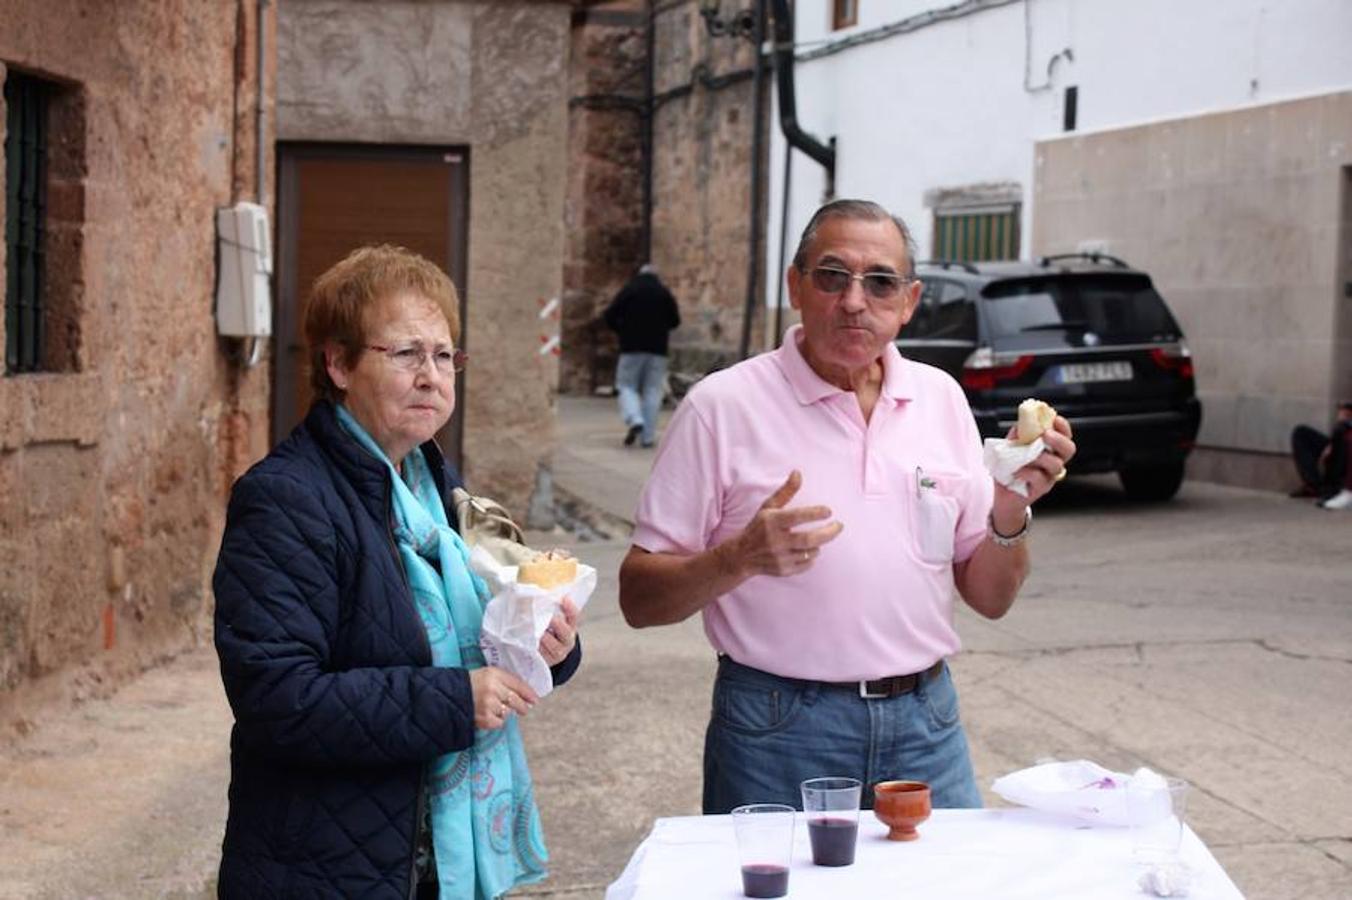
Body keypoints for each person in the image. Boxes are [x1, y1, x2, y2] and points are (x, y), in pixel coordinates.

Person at [617, 199, 1076, 813]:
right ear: (796, 287)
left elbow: (990, 598)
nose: (855, 301)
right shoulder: (720, 407)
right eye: (833, 277)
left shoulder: (940, 399)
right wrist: (739, 558)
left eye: (880, 282)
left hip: (927, 723)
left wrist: (1012, 504)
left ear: (909, 302)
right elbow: (638, 600)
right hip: (777, 728)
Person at [213, 245, 582, 899]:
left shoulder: (435, 490)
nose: (431, 377)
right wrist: (456, 701)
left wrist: (547, 646)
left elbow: (487, 629)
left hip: (429, 862)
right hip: (326, 869)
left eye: (444, 356)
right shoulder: (285, 500)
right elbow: (278, 701)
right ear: (338, 363)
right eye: (406, 354)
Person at [603, 262, 681, 448]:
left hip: (631, 348)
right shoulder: (664, 293)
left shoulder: (630, 290)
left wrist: (621, 330)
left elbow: (609, 315)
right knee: (652, 391)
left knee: (626, 385)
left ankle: (635, 418)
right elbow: (675, 320)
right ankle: (648, 437)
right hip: (657, 350)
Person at [1290, 400, 1352, 509]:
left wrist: (1345, 424)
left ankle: (1333, 489)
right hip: (1339, 442)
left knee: (1342, 436)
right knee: (1301, 433)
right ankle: (1315, 486)